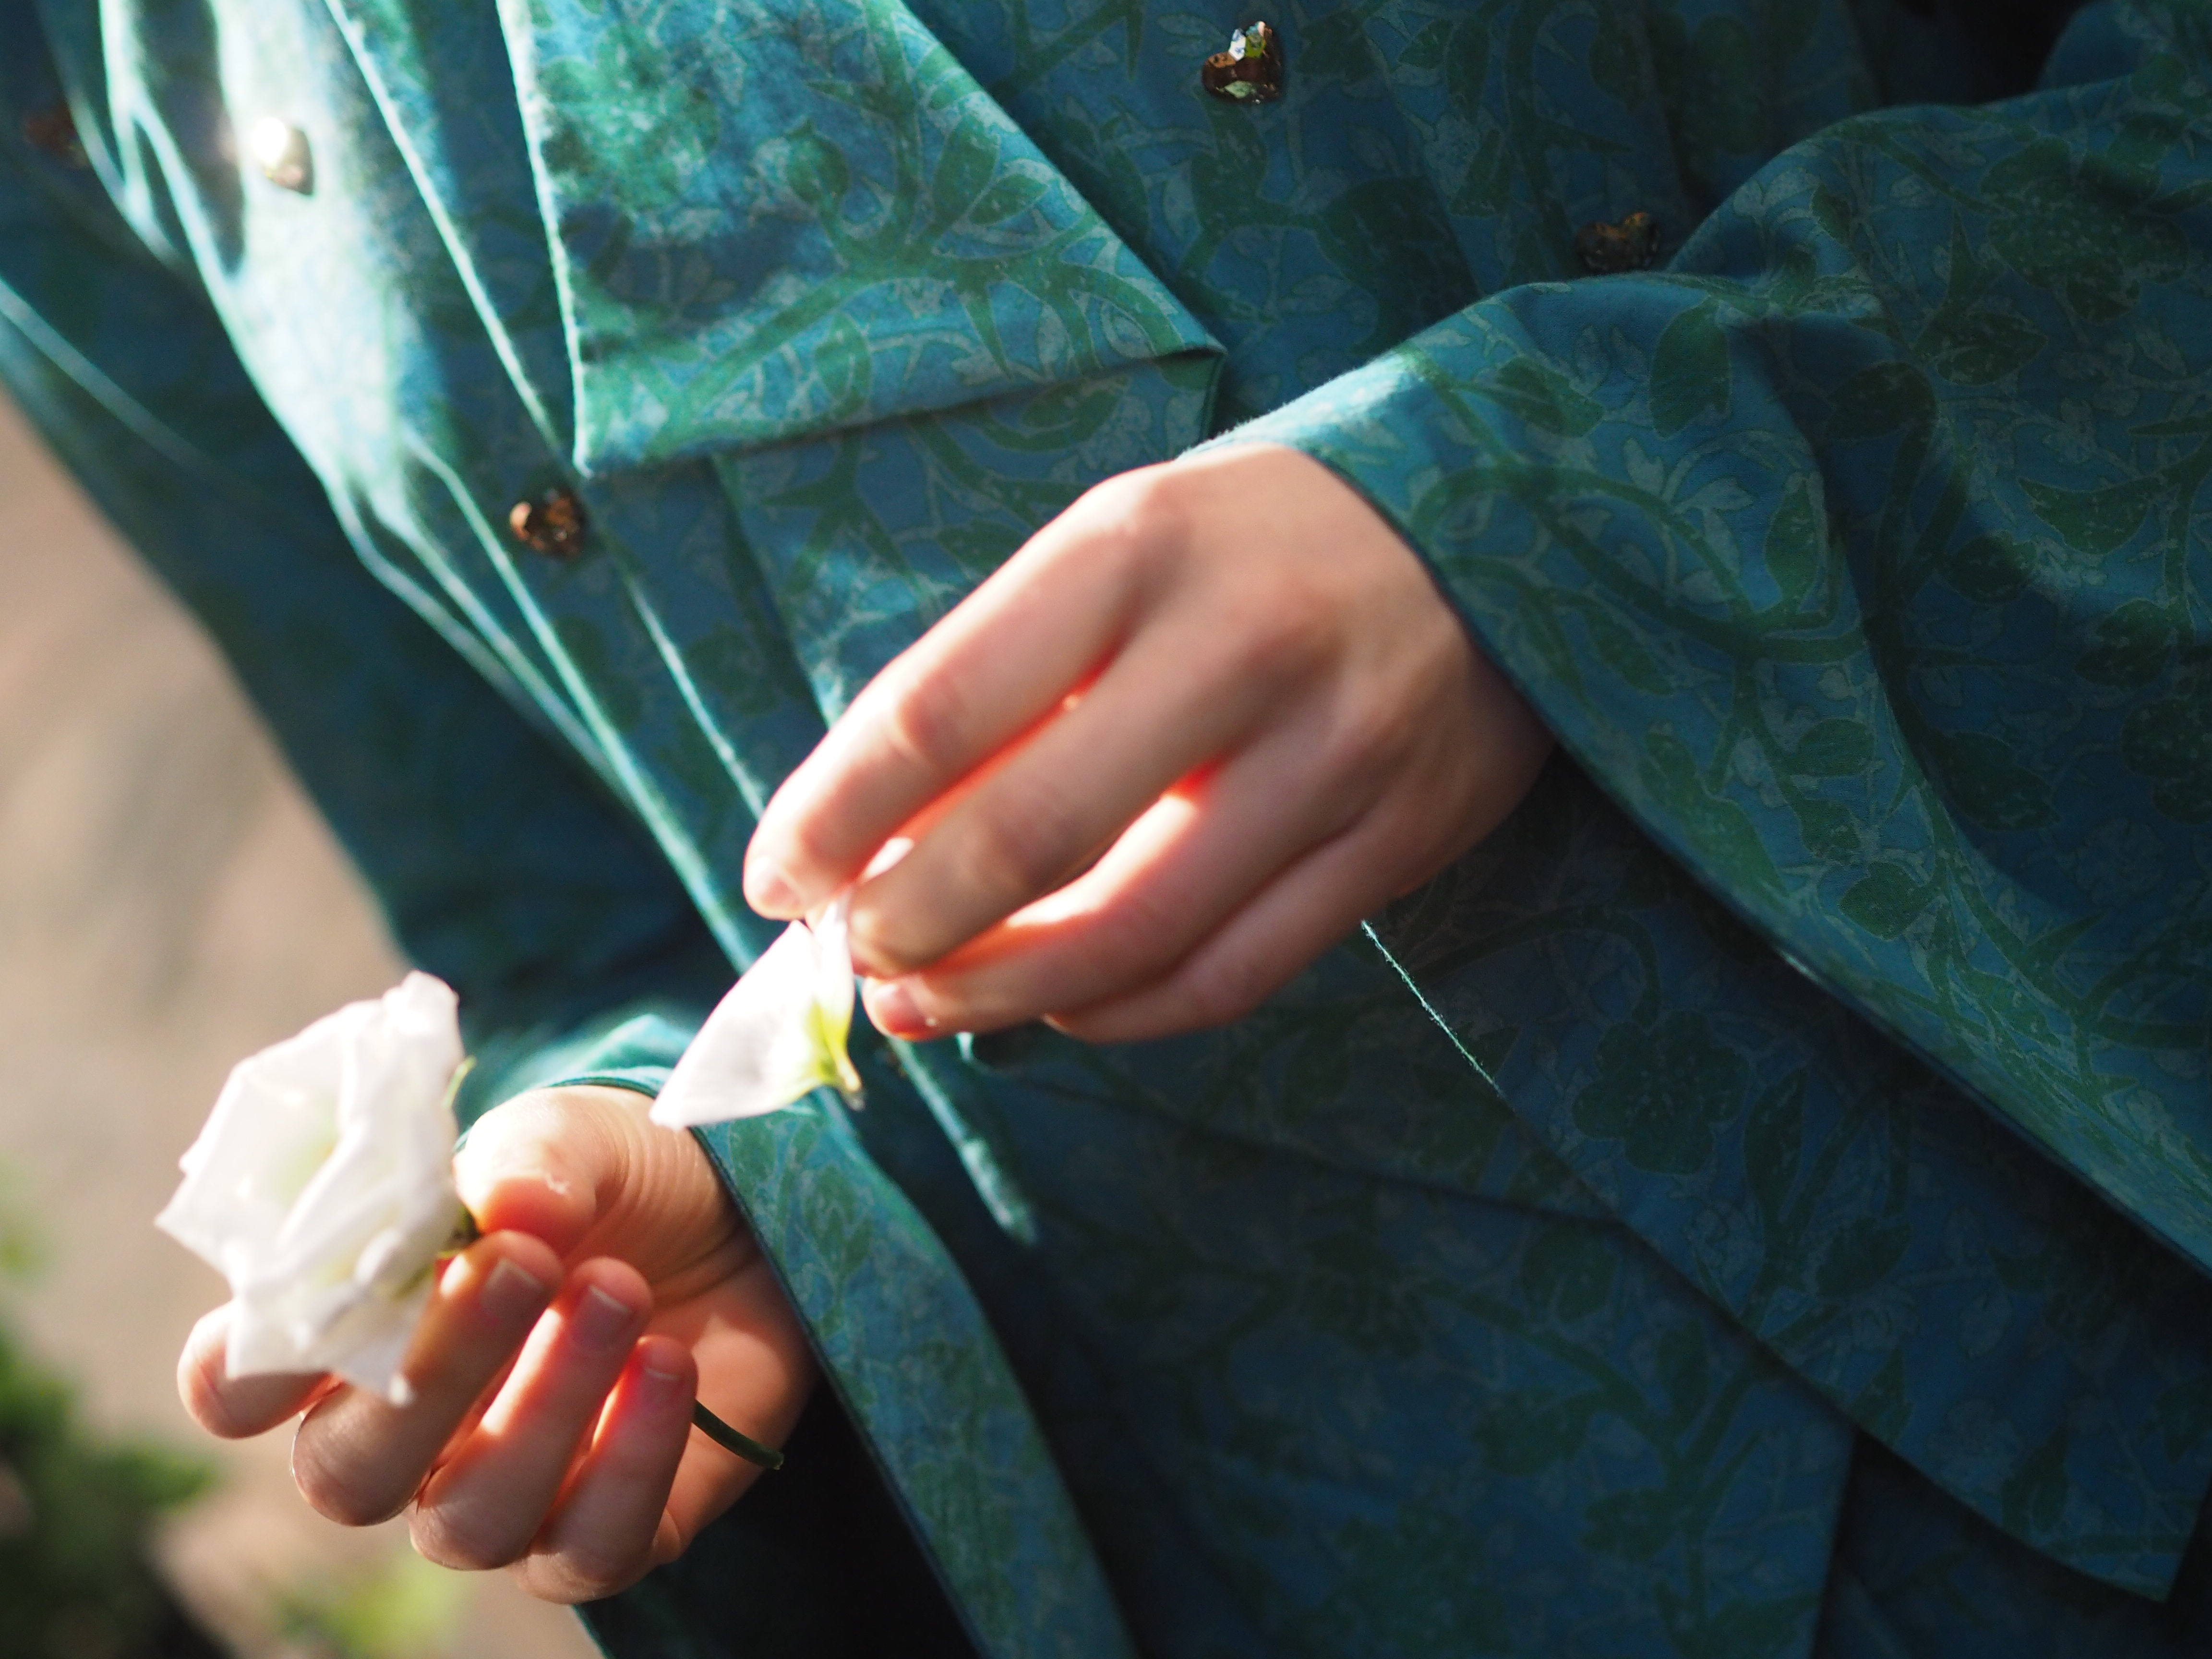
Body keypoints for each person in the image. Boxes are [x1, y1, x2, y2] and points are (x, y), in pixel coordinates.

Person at [4, 0, 2210, 1653]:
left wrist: (1561, 504)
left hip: (2099, 1199)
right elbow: (555, 909)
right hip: (1312, 1555)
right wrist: (695, 1198)